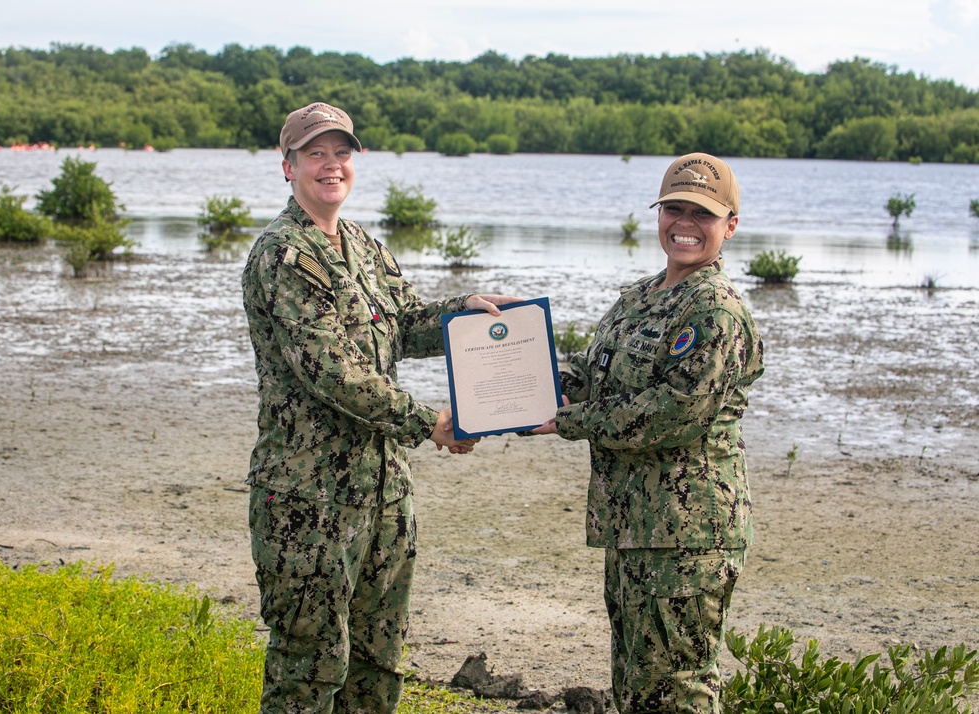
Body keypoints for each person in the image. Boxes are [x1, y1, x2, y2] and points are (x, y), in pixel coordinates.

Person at [240, 101, 517, 714]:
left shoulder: (362, 245)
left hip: (384, 493)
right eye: (315, 153)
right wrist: (433, 423)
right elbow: (333, 374)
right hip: (308, 501)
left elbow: (405, 323)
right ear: (287, 167)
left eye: (341, 152)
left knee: (377, 665)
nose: (331, 165)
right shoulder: (285, 255)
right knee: (308, 670)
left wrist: (462, 313)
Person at [533, 153, 764, 713]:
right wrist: (526, 391)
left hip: (687, 536)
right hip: (634, 526)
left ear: (730, 225)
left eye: (702, 214)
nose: (684, 223)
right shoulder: (639, 297)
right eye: (673, 209)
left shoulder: (716, 310)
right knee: (636, 687)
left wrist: (565, 421)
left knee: (678, 692)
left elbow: (673, 412)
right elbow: (593, 375)